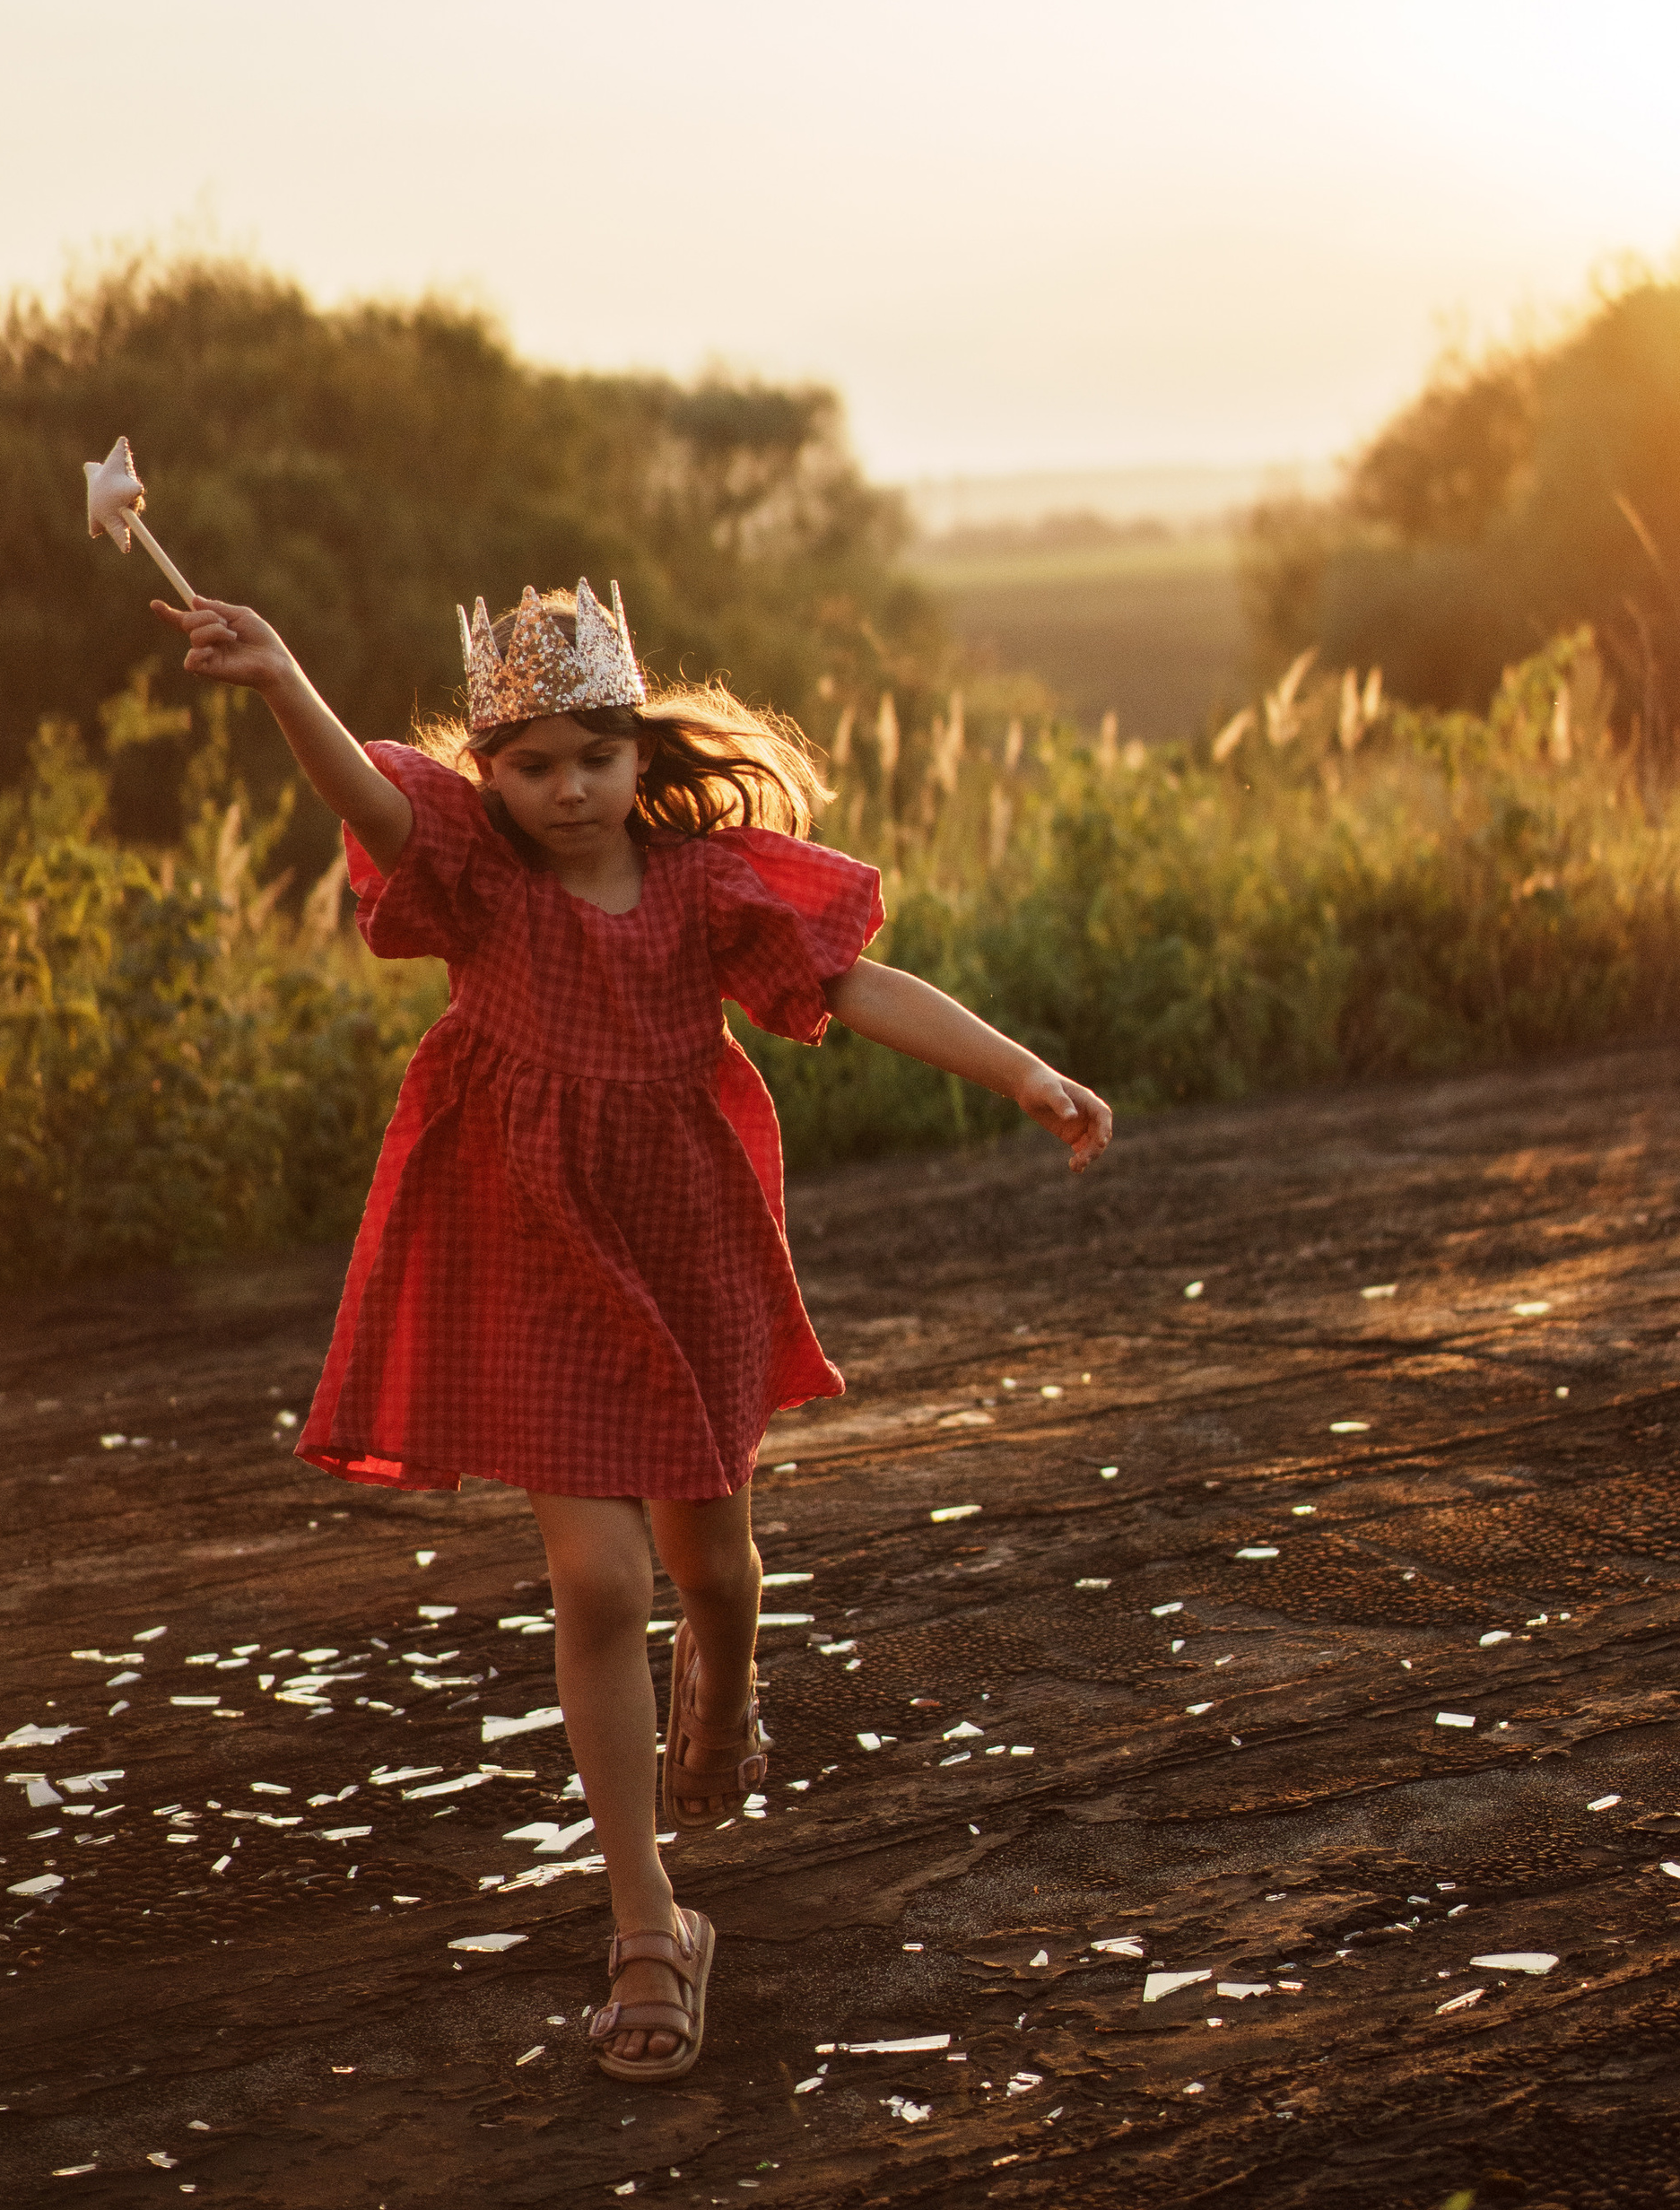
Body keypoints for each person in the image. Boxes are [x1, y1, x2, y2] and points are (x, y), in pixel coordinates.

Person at [156, 573, 1111, 2084]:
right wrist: (282, 677)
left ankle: (726, 1683)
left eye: (592, 757)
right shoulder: (475, 874)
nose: (566, 790)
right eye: (529, 765)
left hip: (685, 1245)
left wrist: (1025, 1074)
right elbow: (376, 801)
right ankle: (648, 1917)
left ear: (636, 752)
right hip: (529, 1245)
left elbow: (854, 983)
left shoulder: (706, 883)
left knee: (709, 1568)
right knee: (598, 1583)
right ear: (491, 774)